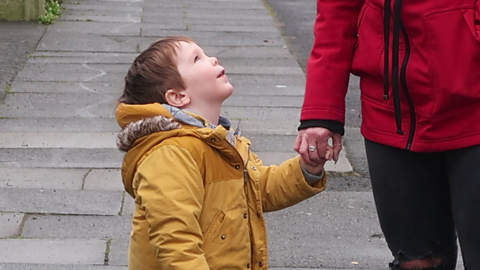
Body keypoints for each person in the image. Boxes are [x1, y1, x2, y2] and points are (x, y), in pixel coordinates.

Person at [116, 36, 331, 270]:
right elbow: (176, 243)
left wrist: (307, 169)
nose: (213, 59)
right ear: (178, 97)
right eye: (197, 58)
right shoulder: (170, 153)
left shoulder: (218, 140)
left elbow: (259, 189)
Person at [295, 1, 480, 270]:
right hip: (390, 114)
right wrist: (321, 112)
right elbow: (336, 15)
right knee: (416, 261)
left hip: (472, 103)